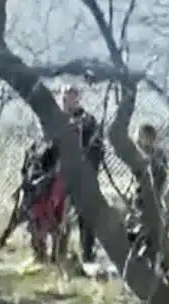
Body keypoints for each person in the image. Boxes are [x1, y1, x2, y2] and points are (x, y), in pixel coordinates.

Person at [61, 86, 105, 263]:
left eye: (71, 98)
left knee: (85, 216)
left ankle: (87, 254)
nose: (67, 101)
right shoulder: (58, 119)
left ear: (77, 99)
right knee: (59, 214)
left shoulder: (87, 121)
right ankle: (59, 253)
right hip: (61, 174)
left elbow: (96, 149)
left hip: (82, 176)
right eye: (64, 98)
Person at [127, 122, 167, 256]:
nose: (137, 140)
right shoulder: (136, 153)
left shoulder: (158, 155)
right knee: (136, 224)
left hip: (153, 197)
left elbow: (162, 177)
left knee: (151, 227)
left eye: (140, 137)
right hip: (140, 196)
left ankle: (150, 254)